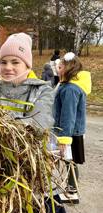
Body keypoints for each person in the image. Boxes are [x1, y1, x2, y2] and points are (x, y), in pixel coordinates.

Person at [0, 33, 75, 213]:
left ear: (27, 64)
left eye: (15, 62)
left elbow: (39, 124)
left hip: (31, 176)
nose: (8, 67)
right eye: (3, 62)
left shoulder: (42, 92)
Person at [53, 52, 92, 204]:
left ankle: (72, 192)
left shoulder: (70, 89)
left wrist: (64, 138)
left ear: (68, 68)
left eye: (60, 67)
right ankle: (70, 188)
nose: (57, 69)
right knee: (70, 161)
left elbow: (68, 114)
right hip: (72, 131)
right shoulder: (68, 85)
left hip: (70, 132)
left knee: (70, 161)